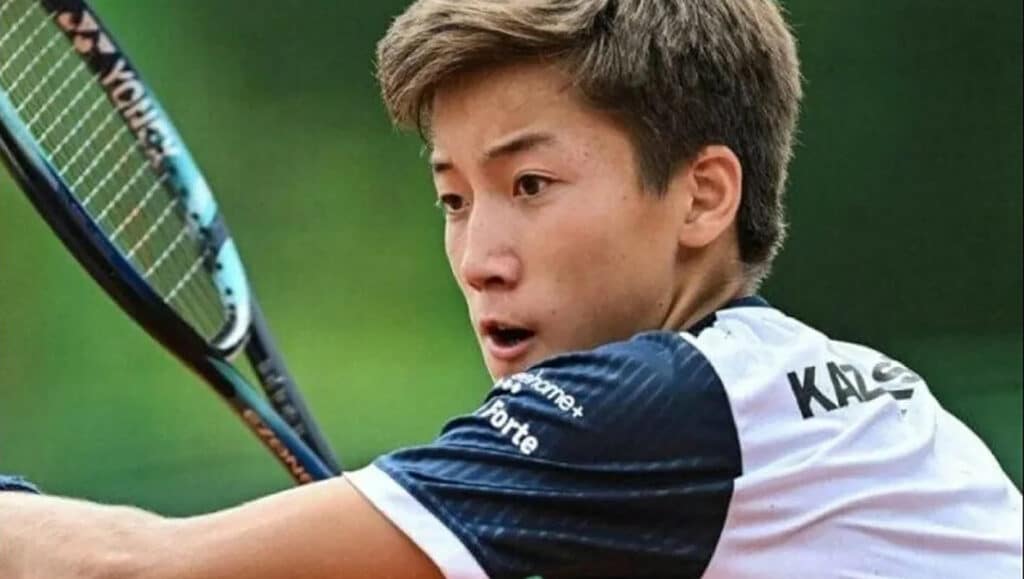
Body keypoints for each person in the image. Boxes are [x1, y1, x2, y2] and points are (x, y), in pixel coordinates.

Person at [1, 0, 1021, 577]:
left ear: (704, 195)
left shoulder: (658, 407)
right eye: (453, 199)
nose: (479, 255)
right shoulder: (836, 397)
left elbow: (138, 568)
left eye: (530, 185)